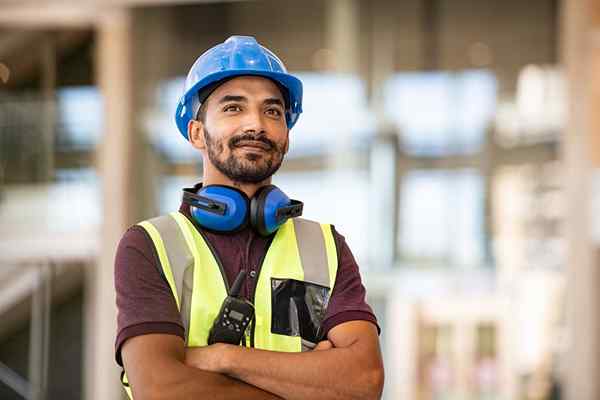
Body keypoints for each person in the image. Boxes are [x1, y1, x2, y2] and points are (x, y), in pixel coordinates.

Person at [114, 35, 384, 400]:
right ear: (197, 133)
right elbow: (162, 389)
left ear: (286, 136)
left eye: (272, 111)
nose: (255, 124)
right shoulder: (149, 246)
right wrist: (310, 386)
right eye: (233, 108)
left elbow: (364, 381)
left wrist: (223, 357)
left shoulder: (326, 248)